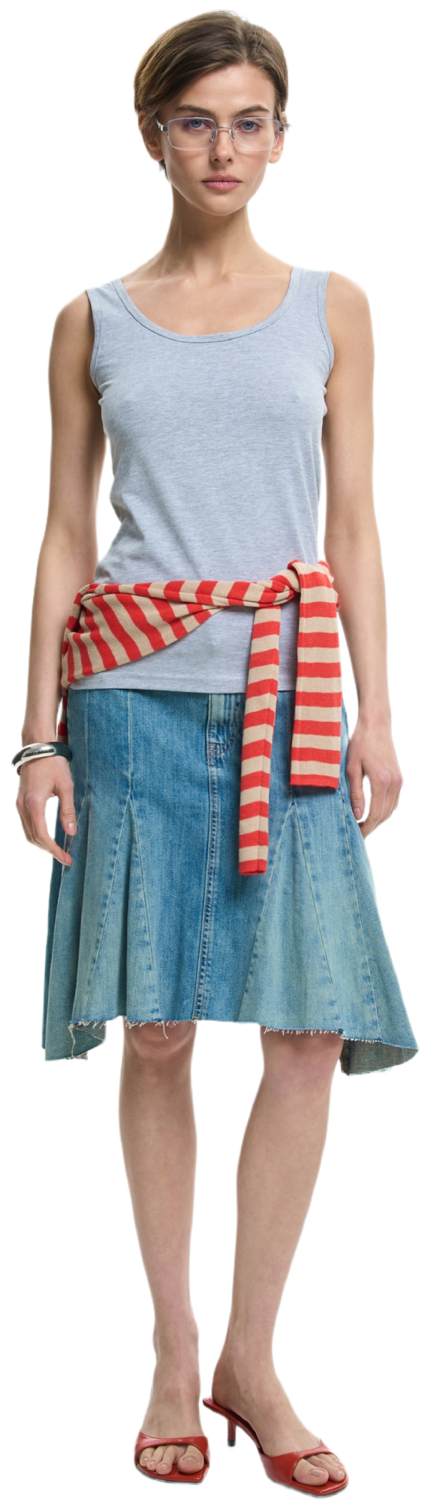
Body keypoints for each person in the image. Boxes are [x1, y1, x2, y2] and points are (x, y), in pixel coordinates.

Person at [15, 10, 418, 1492]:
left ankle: (255, 1355)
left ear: (281, 135)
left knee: (305, 1033)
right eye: (197, 121)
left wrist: (380, 710)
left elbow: (354, 521)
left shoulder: (332, 306)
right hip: (129, 698)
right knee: (161, 1029)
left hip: (288, 695)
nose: (223, 148)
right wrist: (35, 739)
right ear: (154, 136)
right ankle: (173, 1352)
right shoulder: (93, 319)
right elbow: (66, 532)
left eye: (250, 121)